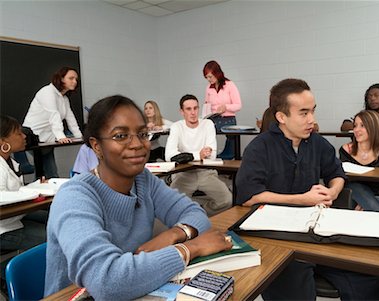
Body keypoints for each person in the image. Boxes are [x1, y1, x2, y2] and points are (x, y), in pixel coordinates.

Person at [44, 95, 232, 300]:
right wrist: (190, 248)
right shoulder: (75, 196)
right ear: (96, 146)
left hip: (137, 287)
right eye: (120, 136)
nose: (137, 144)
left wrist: (172, 235)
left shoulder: (143, 180)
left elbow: (196, 214)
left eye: (142, 134)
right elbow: (106, 282)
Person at [236, 78, 379, 300]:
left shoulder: (316, 143)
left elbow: (337, 174)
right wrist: (302, 199)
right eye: (304, 113)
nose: (312, 120)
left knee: (371, 273)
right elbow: (249, 197)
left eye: (313, 111)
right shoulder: (260, 148)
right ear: (281, 117)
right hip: (277, 239)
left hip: (318, 232)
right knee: (297, 289)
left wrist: (334, 191)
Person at [165, 94, 232, 216]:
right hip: (184, 174)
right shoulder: (177, 127)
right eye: (188, 109)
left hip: (206, 172)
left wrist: (187, 156)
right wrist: (198, 155)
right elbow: (169, 156)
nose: (193, 112)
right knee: (171, 206)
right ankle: (191, 214)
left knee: (227, 200)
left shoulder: (207, 124)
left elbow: (211, 155)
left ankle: (200, 213)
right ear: (182, 111)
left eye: (195, 108)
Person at [0, 115, 47, 272]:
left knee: (55, 219)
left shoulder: (10, 161)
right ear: (2, 141)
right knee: (53, 238)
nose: (24, 136)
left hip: (14, 219)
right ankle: (6, 274)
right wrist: (33, 192)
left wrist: (35, 187)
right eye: (18, 133)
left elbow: (15, 190)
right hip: (4, 230)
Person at [23, 67, 83, 178]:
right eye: (71, 78)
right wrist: (61, 136)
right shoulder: (47, 92)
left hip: (48, 139)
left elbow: (70, 117)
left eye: (76, 79)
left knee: (50, 175)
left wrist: (80, 137)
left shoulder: (63, 98)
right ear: (61, 79)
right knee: (47, 174)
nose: (75, 81)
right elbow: (53, 115)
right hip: (34, 137)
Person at [339, 110, 379, 212]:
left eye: (362, 126)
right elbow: (342, 180)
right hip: (353, 196)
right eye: (355, 126)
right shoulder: (346, 150)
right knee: (355, 187)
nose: (356, 130)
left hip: (378, 197)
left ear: (373, 128)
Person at [203, 60, 242, 159]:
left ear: (217, 73)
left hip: (228, 118)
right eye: (206, 77)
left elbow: (238, 105)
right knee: (202, 129)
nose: (208, 79)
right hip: (213, 118)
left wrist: (226, 107)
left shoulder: (229, 85)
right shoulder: (208, 87)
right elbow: (207, 104)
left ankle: (227, 156)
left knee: (231, 135)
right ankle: (206, 155)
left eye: (210, 77)